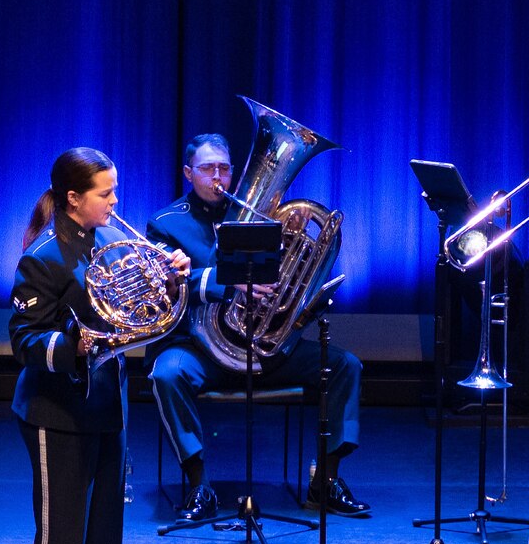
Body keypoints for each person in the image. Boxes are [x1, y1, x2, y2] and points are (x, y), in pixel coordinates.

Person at [10, 148, 188, 544]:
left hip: (106, 402)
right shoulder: (42, 257)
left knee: (104, 527)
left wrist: (174, 277)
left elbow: (145, 308)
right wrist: (74, 345)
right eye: (105, 194)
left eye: (114, 190)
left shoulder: (113, 239)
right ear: (73, 199)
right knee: (62, 532)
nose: (115, 202)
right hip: (55, 409)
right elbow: (22, 341)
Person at [146, 134, 368, 520]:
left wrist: (300, 298)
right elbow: (168, 285)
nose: (218, 177)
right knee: (166, 375)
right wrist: (229, 282)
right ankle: (199, 484)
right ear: (188, 173)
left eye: (224, 168)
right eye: (207, 168)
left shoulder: (266, 214)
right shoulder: (166, 224)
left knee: (345, 366)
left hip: (266, 348)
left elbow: (293, 275)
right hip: (201, 349)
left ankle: (327, 481)